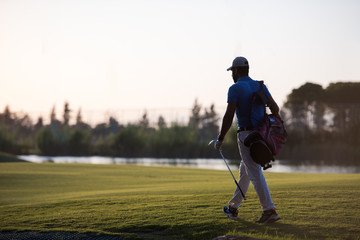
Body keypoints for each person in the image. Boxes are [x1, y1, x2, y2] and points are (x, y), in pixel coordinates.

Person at [215, 56, 280, 223]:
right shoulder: (259, 85)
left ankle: (269, 210)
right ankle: (233, 207)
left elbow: (229, 116)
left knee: (254, 172)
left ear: (236, 71)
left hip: (246, 136)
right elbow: (275, 109)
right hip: (262, 135)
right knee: (246, 170)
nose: (232, 74)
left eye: (232, 71)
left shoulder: (235, 88)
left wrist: (220, 138)